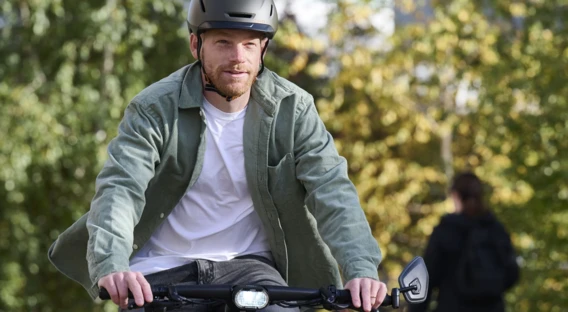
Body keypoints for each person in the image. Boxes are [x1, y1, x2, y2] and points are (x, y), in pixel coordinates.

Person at [47, 0, 387, 311]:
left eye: (249, 44)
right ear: (196, 45)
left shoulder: (293, 110)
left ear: (263, 49)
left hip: (251, 269)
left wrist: (361, 269)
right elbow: (121, 188)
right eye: (223, 42)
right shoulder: (154, 108)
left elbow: (332, 189)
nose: (238, 57)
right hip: (163, 270)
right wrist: (113, 264)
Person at [409, 172, 519, 312]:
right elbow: (512, 273)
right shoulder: (495, 229)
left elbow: (427, 278)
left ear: (456, 195)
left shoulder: (446, 230)